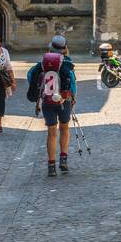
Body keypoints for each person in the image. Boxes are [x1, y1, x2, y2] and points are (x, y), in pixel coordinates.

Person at [27, 35, 77, 178]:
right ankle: (63, 160)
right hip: (63, 100)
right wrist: (72, 97)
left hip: (47, 101)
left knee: (52, 133)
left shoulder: (43, 63)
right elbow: (72, 82)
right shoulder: (67, 63)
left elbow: (30, 76)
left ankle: (51, 166)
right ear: (65, 49)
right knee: (64, 129)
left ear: (51, 48)